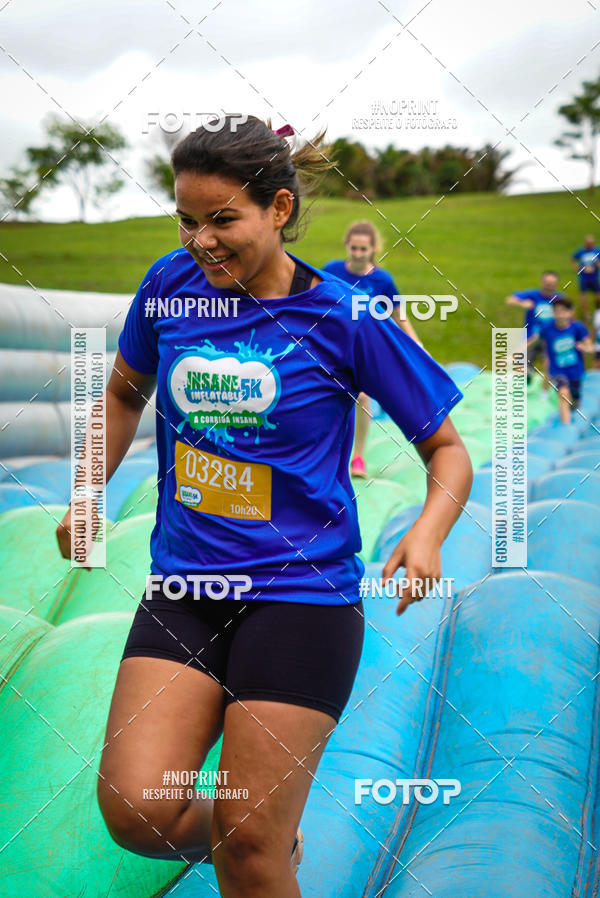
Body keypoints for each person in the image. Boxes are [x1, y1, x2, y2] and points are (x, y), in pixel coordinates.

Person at [55, 115, 472, 898]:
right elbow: (119, 393)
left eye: (222, 220)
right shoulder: (169, 289)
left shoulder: (347, 317)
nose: (200, 240)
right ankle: (266, 834)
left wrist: (427, 533)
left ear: (278, 209)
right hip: (186, 590)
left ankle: (260, 840)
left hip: (301, 601)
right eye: (186, 219)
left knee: (249, 853)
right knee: (138, 811)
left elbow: (447, 450)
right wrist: (86, 493)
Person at [323, 222, 422, 479]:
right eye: (353, 248)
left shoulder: (381, 280)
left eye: (363, 249)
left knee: (362, 397)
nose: (357, 253)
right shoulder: (331, 270)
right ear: (347, 246)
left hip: (362, 348)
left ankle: (358, 457)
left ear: (373, 249)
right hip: (331, 343)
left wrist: (416, 343)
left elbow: (399, 315)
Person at [529, 297, 595, 424]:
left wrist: (586, 348)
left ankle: (572, 415)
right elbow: (533, 341)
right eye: (556, 311)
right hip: (558, 371)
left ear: (570, 312)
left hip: (575, 372)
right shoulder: (547, 328)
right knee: (564, 395)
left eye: (563, 311)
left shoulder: (577, 328)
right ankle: (566, 428)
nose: (560, 314)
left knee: (574, 403)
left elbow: (589, 346)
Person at [505, 271, 565, 388]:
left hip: (550, 337)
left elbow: (569, 315)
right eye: (547, 283)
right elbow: (509, 300)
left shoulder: (559, 299)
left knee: (549, 364)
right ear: (542, 282)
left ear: (556, 284)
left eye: (552, 283)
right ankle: (527, 378)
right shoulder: (533, 295)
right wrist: (522, 303)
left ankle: (545, 392)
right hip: (530, 336)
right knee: (522, 366)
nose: (549, 286)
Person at [571, 234, 600, 324]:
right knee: (583, 296)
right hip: (584, 277)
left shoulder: (597, 251)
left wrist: (597, 264)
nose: (589, 245)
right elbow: (573, 258)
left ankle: (597, 311)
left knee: (598, 295)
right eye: (588, 243)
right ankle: (585, 314)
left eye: (591, 243)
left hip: (594, 277)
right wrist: (576, 269)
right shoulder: (581, 251)